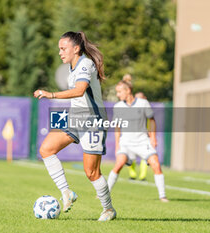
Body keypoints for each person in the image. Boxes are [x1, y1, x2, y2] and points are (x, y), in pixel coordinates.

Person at [33, 31, 116, 221]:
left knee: (91, 172)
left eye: (63, 48)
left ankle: (108, 209)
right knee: (46, 149)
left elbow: (79, 91)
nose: (60, 52)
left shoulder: (85, 64)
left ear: (76, 48)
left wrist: (50, 94)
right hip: (75, 117)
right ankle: (66, 192)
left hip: (93, 120)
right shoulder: (72, 67)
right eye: (59, 49)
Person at [107, 80, 169, 202]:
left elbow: (151, 120)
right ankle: (104, 193)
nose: (118, 95)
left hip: (142, 142)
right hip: (125, 143)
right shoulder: (118, 107)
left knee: (155, 164)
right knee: (119, 164)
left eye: (120, 92)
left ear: (128, 90)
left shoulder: (143, 103)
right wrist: (117, 146)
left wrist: (153, 137)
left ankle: (162, 196)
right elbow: (117, 128)